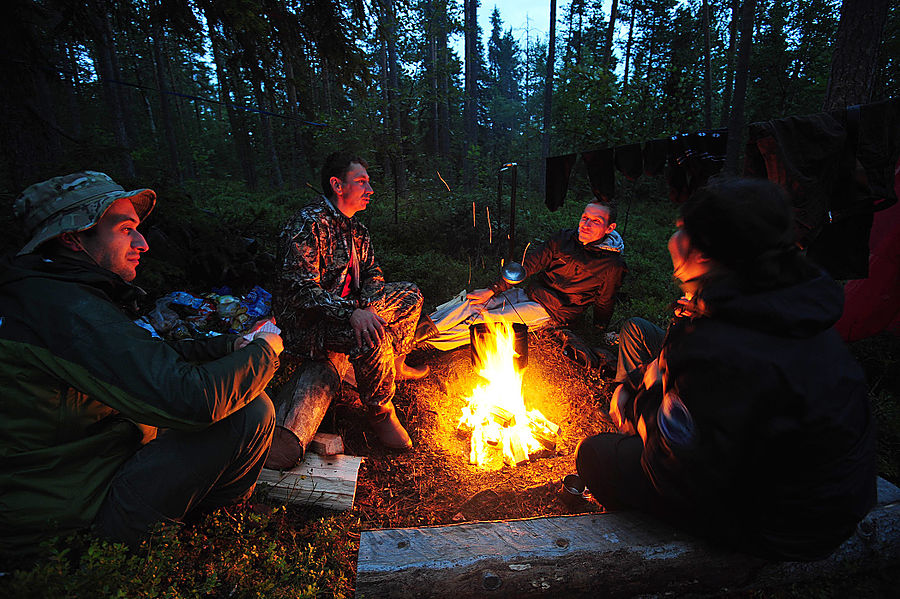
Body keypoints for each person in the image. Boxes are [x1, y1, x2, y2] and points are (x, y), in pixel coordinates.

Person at [575, 178, 877, 561]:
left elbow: (671, 471)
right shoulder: (793, 301)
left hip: (788, 527)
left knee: (597, 456)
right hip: (836, 494)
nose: (674, 238)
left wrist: (638, 410)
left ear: (701, 251)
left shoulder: (716, 346)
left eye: (683, 229)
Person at [0, 171, 283, 556]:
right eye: (125, 229)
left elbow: (144, 355)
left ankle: (206, 530)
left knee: (236, 403)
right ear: (72, 238)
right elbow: (192, 399)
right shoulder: (65, 311)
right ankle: (209, 539)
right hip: (65, 527)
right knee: (245, 414)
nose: (143, 243)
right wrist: (265, 349)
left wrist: (231, 344)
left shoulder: (47, 295)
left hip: (85, 479)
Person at [275, 151, 430, 451]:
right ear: (337, 185)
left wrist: (368, 306)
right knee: (373, 335)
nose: (370, 190)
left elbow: (373, 273)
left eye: (368, 182)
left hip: (351, 310)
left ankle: (394, 363)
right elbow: (301, 292)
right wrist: (352, 314)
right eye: (361, 182)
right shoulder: (307, 226)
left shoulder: (357, 229)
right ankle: (380, 411)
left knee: (410, 295)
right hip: (310, 325)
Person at [425, 199, 627, 351]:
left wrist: (598, 330)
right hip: (532, 293)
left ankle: (426, 345)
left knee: (485, 321)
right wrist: (493, 289)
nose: (586, 225)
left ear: (610, 228)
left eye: (596, 221)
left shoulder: (611, 265)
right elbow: (531, 263)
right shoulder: (565, 238)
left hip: (553, 310)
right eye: (585, 217)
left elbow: (605, 301)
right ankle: (417, 332)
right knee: (471, 301)